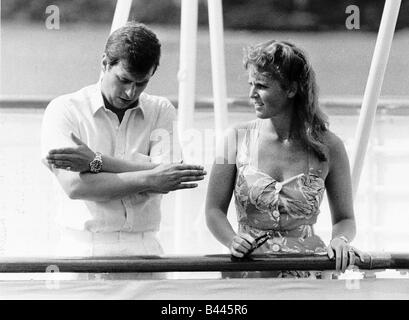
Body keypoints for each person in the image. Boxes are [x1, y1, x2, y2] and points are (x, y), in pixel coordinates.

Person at [41, 22, 206, 260]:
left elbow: (170, 179)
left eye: (141, 83)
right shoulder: (64, 109)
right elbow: (75, 187)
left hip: (146, 247)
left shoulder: (160, 109)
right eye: (124, 79)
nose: (130, 92)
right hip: (84, 248)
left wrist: (95, 162)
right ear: (104, 63)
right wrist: (152, 176)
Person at [205, 40, 363, 276]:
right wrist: (231, 240)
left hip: (309, 276)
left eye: (262, 86)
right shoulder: (235, 139)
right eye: (251, 84)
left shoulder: (330, 146)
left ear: (291, 89)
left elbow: (345, 219)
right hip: (249, 275)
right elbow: (213, 211)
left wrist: (340, 239)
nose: (252, 94)